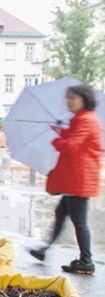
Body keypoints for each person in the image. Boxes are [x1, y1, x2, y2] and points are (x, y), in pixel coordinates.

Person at [29, 84, 102, 275]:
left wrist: (57, 141)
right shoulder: (82, 119)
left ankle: (86, 261)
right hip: (77, 178)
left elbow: (71, 146)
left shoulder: (85, 119)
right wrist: (62, 131)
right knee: (61, 214)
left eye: (73, 98)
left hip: (78, 179)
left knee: (80, 221)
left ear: (84, 99)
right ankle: (45, 250)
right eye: (68, 98)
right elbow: (78, 140)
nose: (69, 101)